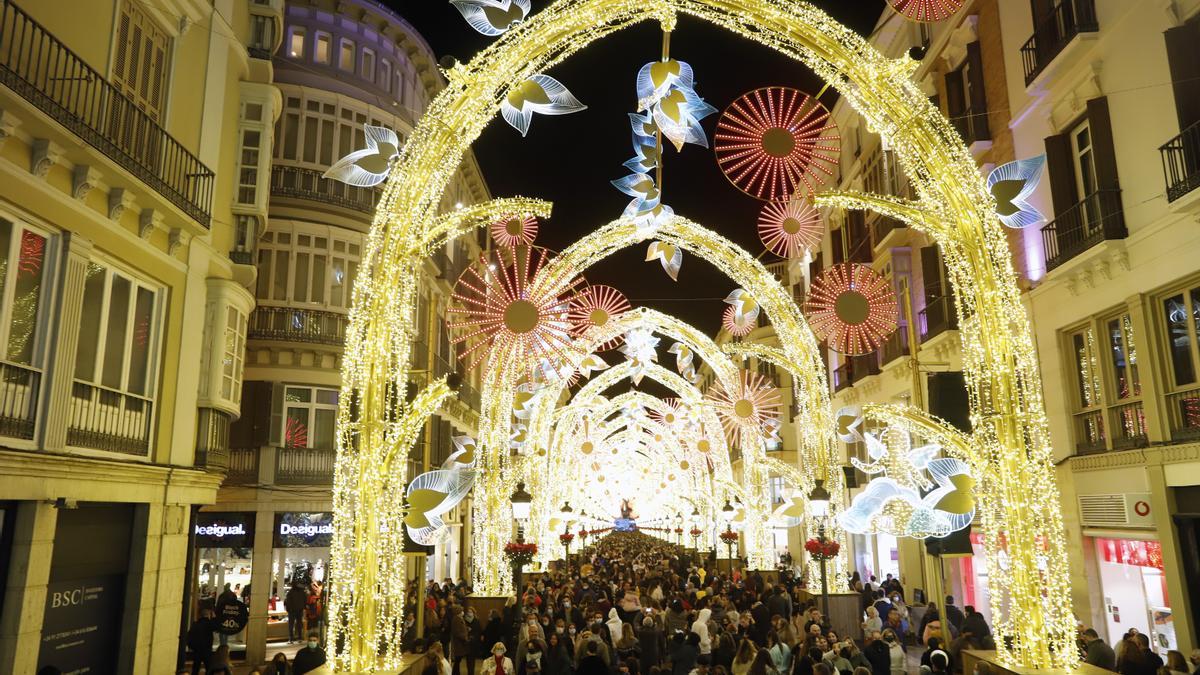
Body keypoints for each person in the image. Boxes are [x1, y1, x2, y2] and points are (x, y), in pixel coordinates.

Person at [187, 608, 218, 675]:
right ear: (208, 615)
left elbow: (189, 635)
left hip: (197, 650)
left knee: (195, 668)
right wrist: (214, 618)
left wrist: (191, 646)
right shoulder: (209, 624)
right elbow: (216, 627)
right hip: (207, 650)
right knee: (209, 668)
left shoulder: (195, 624)